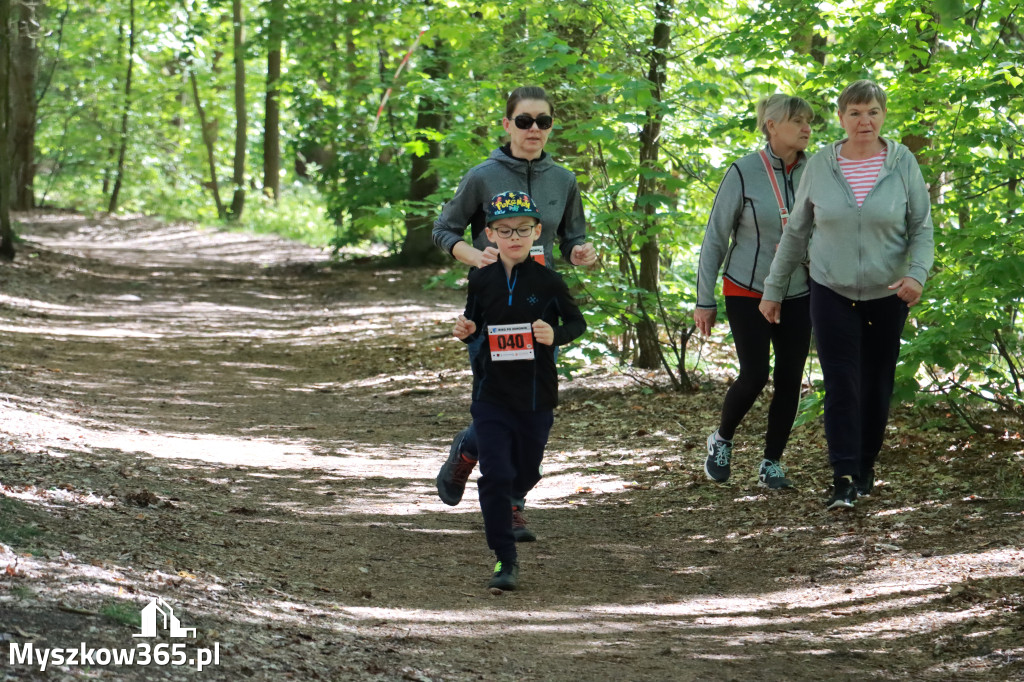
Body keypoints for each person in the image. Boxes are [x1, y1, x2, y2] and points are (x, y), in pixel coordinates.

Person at [758, 79, 934, 510]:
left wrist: (917, 275)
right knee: (840, 383)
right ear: (841, 118)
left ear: (883, 116)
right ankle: (844, 475)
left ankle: (866, 462)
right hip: (830, 288)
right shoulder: (821, 164)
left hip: (887, 292)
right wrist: (773, 289)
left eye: (872, 111)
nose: (864, 121)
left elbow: (922, 228)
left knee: (875, 384)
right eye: (855, 113)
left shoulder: (902, 162)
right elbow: (797, 231)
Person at [432, 86, 596, 540]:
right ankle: (504, 499)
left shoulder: (563, 179)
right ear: (507, 125)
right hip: (491, 307)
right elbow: (444, 229)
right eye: (524, 121)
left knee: (530, 407)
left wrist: (579, 250)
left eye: (543, 121)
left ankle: (475, 458)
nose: (534, 130)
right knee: (498, 400)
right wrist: (473, 255)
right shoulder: (483, 176)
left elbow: (571, 235)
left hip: (537, 311)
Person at [452, 190, 586, 590]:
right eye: (506, 230)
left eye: (523, 229)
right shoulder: (480, 279)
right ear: (490, 234)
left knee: (525, 471)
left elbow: (576, 324)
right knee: (496, 476)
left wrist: (554, 334)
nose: (515, 237)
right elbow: (472, 323)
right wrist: (466, 331)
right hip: (492, 393)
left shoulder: (548, 281)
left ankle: (496, 476)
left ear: (537, 232)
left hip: (535, 395)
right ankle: (504, 560)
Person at [694, 94, 815, 489]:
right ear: (771, 126)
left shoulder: (817, 171)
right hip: (746, 288)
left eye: (808, 120)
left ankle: (772, 463)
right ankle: (722, 440)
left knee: (790, 377)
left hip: (800, 290)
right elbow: (715, 237)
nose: (806, 127)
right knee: (756, 373)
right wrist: (704, 298)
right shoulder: (743, 172)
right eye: (796, 120)